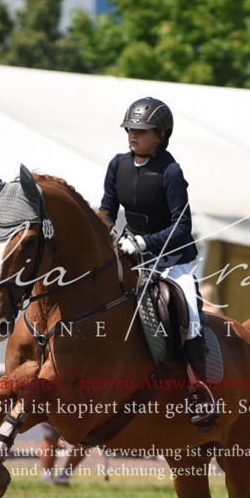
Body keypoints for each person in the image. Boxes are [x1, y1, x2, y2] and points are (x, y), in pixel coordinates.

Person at [98, 96, 215, 427]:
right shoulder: (117, 165)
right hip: (129, 256)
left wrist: (145, 242)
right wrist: (101, 232)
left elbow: (183, 227)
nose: (133, 135)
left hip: (171, 260)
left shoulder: (171, 171)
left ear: (161, 135)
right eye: (130, 129)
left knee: (190, 315)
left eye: (142, 130)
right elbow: (107, 209)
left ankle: (199, 390)